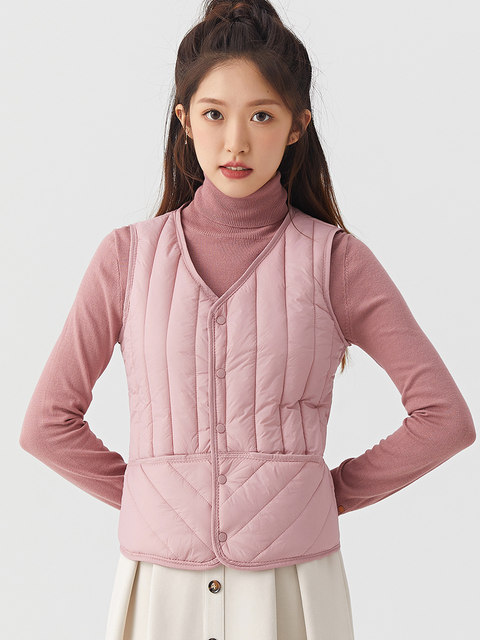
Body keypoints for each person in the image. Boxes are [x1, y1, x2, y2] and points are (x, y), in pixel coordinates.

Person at [19, 1, 476, 638]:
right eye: (214, 114)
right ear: (184, 121)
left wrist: (318, 496)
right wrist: (156, 498)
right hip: (162, 590)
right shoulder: (126, 258)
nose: (235, 141)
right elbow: (46, 425)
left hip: (293, 586)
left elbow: (444, 418)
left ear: (296, 126)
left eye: (262, 115)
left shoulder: (336, 261)